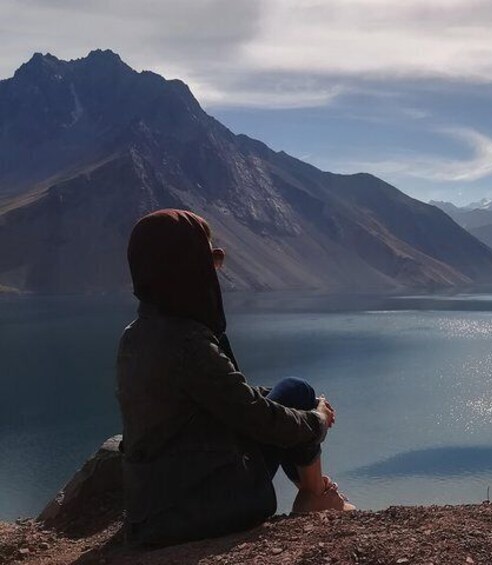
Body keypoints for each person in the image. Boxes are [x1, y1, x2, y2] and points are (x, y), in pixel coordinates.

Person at [116, 209, 353, 547]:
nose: (216, 270)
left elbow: (224, 396)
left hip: (150, 506)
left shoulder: (136, 335)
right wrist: (315, 420)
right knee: (299, 394)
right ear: (185, 266)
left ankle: (314, 492)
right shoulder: (187, 342)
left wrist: (281, 402)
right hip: (197, 508)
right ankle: (315, 495)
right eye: (209, 258)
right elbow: (255, 418)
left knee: (293, 391)